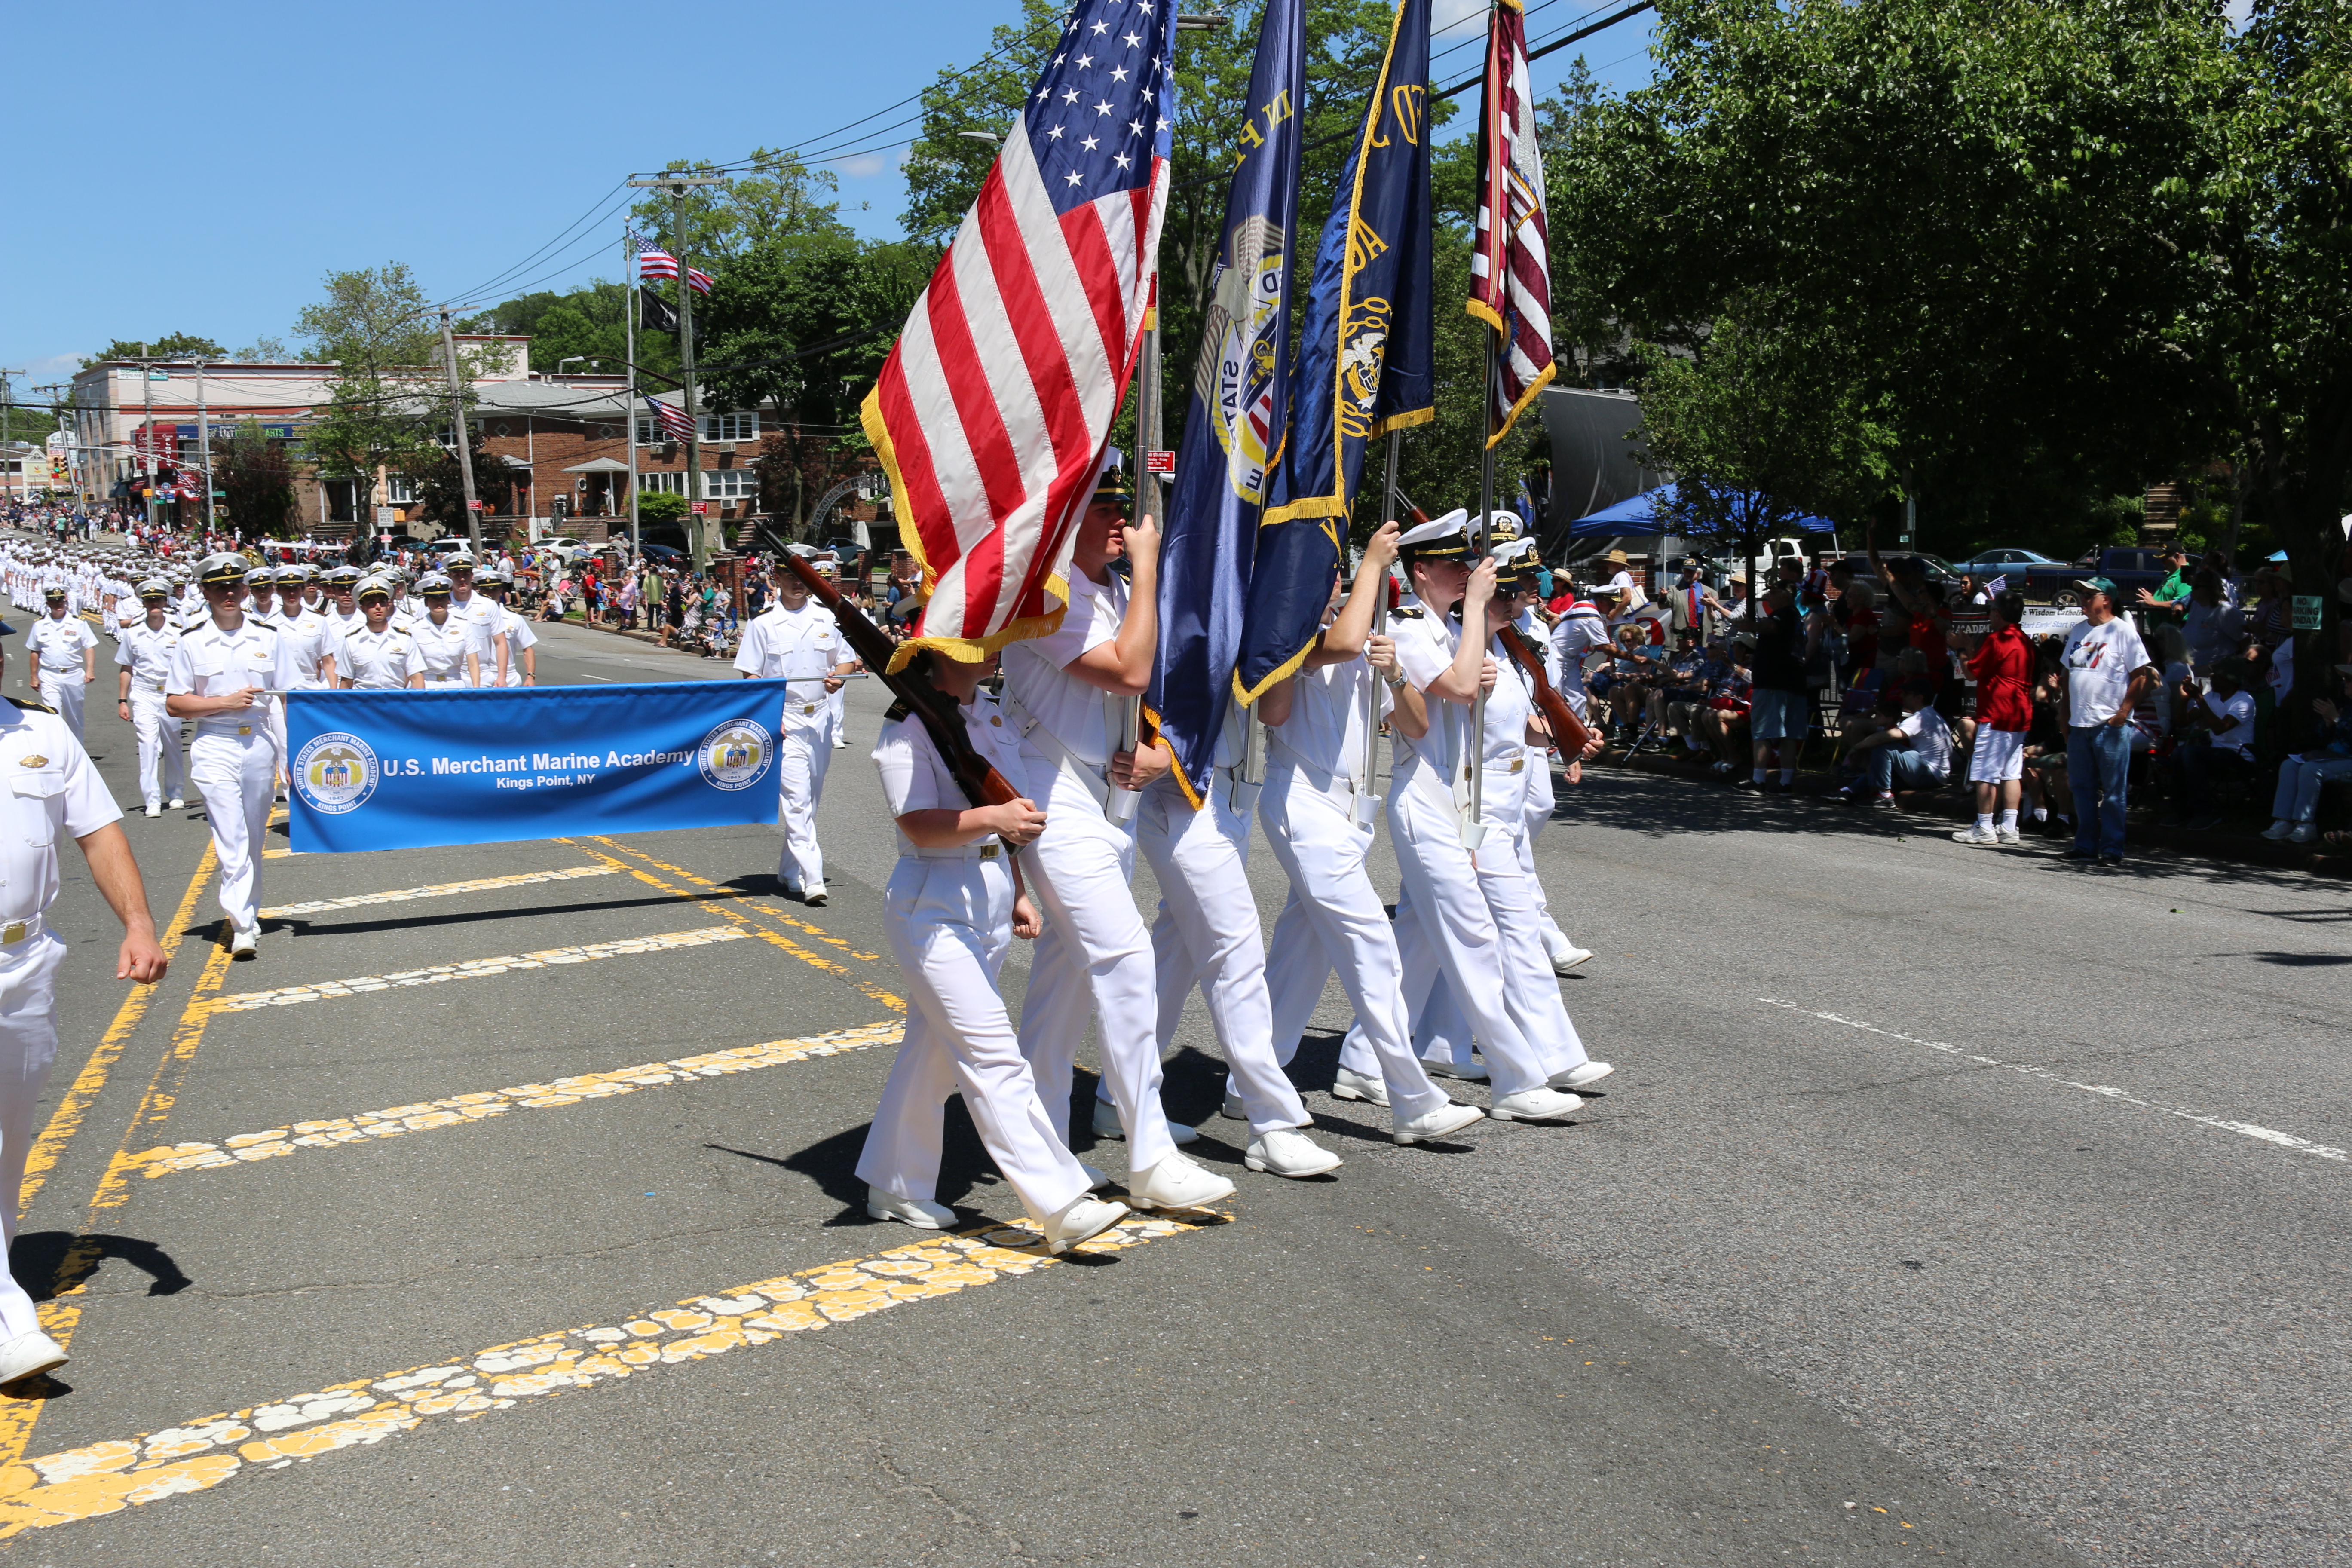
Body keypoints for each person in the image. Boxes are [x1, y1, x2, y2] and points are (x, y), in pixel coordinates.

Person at [1000, 468, 1232, 1213]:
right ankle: (1149, 1151)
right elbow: (1128, 666)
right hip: (1053, 792)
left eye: (1121, 506)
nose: (1118, 519)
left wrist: (1160, 753)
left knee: (1063, 984)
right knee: (1126, 957)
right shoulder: (1048, 595)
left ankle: (1040, 1142)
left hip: (1107, 796)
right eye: (1099, 504)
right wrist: (1150, 566)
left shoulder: (1108, 590)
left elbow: (1148, 690)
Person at [851, 647, 1128, 1253]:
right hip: (934, 903)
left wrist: (1020, 892)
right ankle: (1059, 1200)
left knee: (934, 1052)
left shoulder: (991, 713)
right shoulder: (909, 722)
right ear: (944, 651)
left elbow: (1013, 817)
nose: (998, 642)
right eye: (980, 634)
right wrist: (996, 818)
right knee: (993, 1055)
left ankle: (895, 1183)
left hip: (988, 896)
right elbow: (920, 824)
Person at [1254, 523, 1487, 1141]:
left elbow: (1413, 725)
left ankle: (1248, 1081)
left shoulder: (1365, 641)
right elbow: (1273, 711)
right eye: (1331, 575)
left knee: (1298, 958)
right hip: (1302, 804)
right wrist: (1374, 569)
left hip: (1350, 814)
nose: (1336, 584)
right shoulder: (1292, 637)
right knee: (1373, 949)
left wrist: (1395, 675)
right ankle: (1413, 1098)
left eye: (1341, 574)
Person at [1371, 510, 1598, 1121]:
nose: (1470, 574)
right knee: (1472, 938)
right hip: (1426, 799)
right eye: (1454, 565)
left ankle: (1364, 1060)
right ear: (1422, 573)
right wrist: (1477, 615)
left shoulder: (1447, 629)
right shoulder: (1414, 628)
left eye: (1471, 565)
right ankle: (1517, 1081)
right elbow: (1463, 691)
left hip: (1462, 801)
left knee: (1441, 938)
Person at [0, 619, 170, 1386]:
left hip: (23, 961)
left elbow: (99, 833)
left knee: (10, 1144)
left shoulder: (39, 735)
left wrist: (138, 923)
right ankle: (10, 1317)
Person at [166, 553, 300, 958]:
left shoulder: (268, 636)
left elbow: (288, 697)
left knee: (254, 835)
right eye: (218, 587)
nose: (228, 593)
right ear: (205, 592)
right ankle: (241, 922)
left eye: (234, 587)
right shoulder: (191, 640)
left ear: (245, 591)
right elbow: (175, 703)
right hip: (214, 743)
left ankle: (249, 913)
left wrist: (291, 754)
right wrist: (223, 703)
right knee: (231, 834)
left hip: (259, 742)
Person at [734, 559, 856, 905]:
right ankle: (813, 878)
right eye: (790, 576)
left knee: (810, 801)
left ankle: (789, 871)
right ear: (776, 578)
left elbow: (845, 659)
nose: (797, 584)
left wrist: (839, 676)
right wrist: (769, 716)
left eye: (803, 577)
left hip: (819, 719)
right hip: (784, 719)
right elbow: (751, 676)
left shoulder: (827, 618)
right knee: (797, 800)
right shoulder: (763, 624)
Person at [2058, 575, 2156, 867]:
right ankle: (2085, 844)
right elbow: (2067, 677)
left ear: (2107, 600)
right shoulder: (2078, 631)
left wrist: (2123, 713)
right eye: (2083, 596)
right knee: (2082, 787)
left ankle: (2112, 848)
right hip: (2079, 725)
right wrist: (2064, 715)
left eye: (2090, 596)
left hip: (2109, 726)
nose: (2084, 601)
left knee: (2114, 792)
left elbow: (2142, 675)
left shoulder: (2123, 632)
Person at [1953, 589, 2033, 845]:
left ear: (1997, 614)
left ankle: (1984, 826)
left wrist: (1961, 650)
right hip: (2018, 713)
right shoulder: (2024, 640)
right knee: (2011, 772)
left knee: (1985, 773)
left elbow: (1972, 673)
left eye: (1991, 611)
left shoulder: (1999, 639)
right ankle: (2009, 826)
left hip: (1997, 714)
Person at [113, 578, 187, 818]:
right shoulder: (133, 633)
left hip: (170, 695)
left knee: (174, 745)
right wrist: (122, 701)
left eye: (158, 599)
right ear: (143, 603)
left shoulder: (178, 632)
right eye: (150, 600)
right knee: (147, 745)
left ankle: (176, 794)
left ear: (166, 602)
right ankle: (152, 800)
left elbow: (186, 667)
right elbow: (126, 668)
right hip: (144, 694)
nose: (154, 603)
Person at [2159, 658, 2256, 832]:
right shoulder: (2212, 697)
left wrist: (2199, 698)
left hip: (2240, 757)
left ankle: (2205, 813)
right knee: (2179, 753)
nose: (2212, 679)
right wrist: (2184, 700)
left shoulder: (2244, 701)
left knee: (2191, 754)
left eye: (2217, 676)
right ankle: (2180, 810)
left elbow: (2220, 729)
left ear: (2231, 680)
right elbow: (2182, 723)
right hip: (2216, 755)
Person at [2262, 663, 2352, 844]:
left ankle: (2306, 824)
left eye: (2349, 679)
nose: (2345, 682)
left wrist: (2336, 719)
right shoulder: (2345, 704)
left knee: (2311, 769)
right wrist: (2328, 722)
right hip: (2332, 756)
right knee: (2289, 765)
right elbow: (2322, 734)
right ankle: (2284, 821)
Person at [1839, 678, 1953, 806]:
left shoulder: (1921, 718)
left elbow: (1885, 737)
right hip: (1934, 775)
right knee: (1878, 771)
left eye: (1907, 694)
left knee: (1885, 747)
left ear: (1919, 698)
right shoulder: (1930, 714)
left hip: (1929, 774)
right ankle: (1847, 792)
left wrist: (1857, 748)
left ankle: (1884, 796)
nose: (1901, 696)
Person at [1743, 582, 1811, 790]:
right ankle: (1786, 784)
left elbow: (1771, 627)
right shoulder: (1796, 616)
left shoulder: (1785, 614)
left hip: (1774, 683)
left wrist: (1753, 626)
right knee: (1789, 735)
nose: (1769, 597)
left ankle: (1759, 780)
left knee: (1763, 732)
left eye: (1774, 593)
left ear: (1787, 596)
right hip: (1793, 683)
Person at [25, 587, 97, 741]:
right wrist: (34, 676)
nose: (58, 604)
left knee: (75, 715)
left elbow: (89, 647)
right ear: (48, 603)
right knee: (52, 713)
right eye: (54, 601)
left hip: (73, 675)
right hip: (49, 675)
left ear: (66, 601)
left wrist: (90, 670)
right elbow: (34, 651)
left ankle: (78, 750)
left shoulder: (78, 623)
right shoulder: (39, 625)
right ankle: (59, 750)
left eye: (61, 601)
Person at [332, 578, 422, 689]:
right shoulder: (353, 641)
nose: (378, 607)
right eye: (371, 603)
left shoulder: (405, 639)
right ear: (362, 608)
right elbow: (346, 682)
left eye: (382, 603)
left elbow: (417, 678)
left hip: (397, 702)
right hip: (364, 703)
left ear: (388, 605)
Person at [479, 569, 538, 686]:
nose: (490, 594)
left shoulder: (513, 618)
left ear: (500, 591)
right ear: (479, 591)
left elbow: (527, 648)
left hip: (509, 676)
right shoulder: (473, 617)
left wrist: (530, 676)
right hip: (481, 674)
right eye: (486, 590)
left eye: (494, 590)